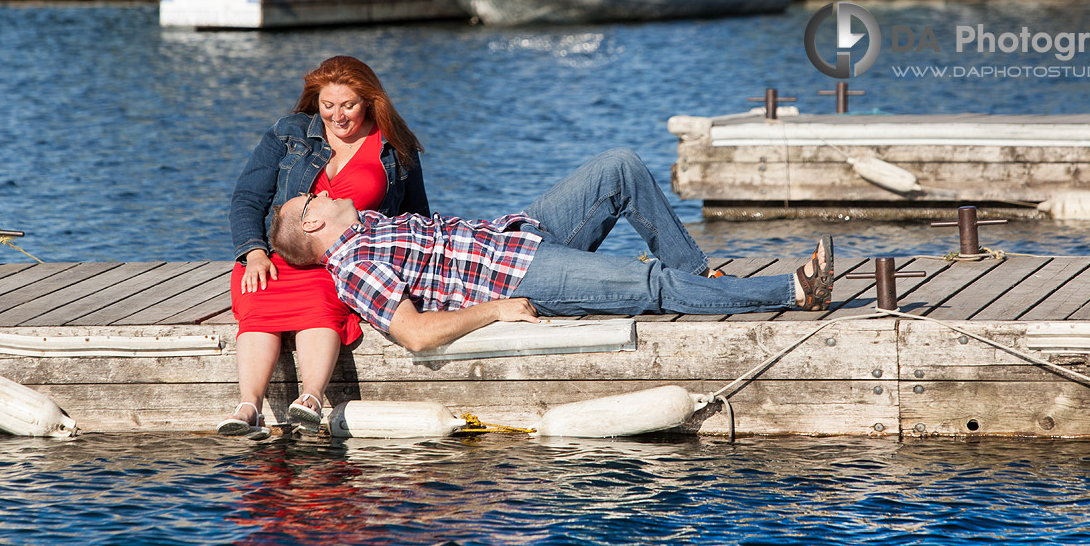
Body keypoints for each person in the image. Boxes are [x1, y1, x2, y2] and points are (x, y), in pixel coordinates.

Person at [267, 149, 834, 353]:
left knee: (620, 167)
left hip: (517, 235)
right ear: (313, 219)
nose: (323, 189)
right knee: (646, 284)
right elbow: (414, 333)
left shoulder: (367, 224)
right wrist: (495, 310)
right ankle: (791, 289)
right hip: (518, 277)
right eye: (312, 196)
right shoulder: (355, 265)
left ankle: (702, 282)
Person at [217, 55, 429, 438]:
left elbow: (418, 217)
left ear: (369, 100)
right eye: (327, 105)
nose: (337, 116)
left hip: (344, 262)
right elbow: (247, 198)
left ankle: (311, 398)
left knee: (321, 305)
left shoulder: (395, 147)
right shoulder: (288, 133)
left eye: (348, 105)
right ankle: (249, 406)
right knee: (257, 300)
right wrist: (254, 253)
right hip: (278, 258)